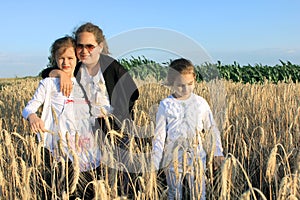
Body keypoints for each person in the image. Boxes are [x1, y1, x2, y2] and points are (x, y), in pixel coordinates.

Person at [40, 22, 139, 196]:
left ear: (100, 47)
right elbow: (45, 72)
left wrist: (118, 116)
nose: (84, 51)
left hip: (113, 127)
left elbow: (133, 92)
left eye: (90, 46)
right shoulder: (76, 66)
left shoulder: (111, 67)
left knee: (119, 175)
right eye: (80, 46)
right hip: (86, 129)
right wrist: (60, 73)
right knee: (91, 174)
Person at [22, 36, 103, 199]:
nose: (66, 62)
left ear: (77, 58)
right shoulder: (49, 83)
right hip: (61, 147)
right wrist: (32, 117)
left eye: (70, 58)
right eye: (61, 58)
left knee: (88, 189)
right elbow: (28, 108)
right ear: (55, 59)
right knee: (64, 188)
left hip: (85, 146)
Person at [152, 58, 225, 199]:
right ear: (171, 84)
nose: (186, 90)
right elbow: (159, 136)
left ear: (195, 80)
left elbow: (211, 128)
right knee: (174, 195)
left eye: (190, 84)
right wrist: (155, 163)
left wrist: (217, 151)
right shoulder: (165, 105)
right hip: (172, 160)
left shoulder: (200, 103)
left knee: (198, 195)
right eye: (180, 85)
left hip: (197, 158)